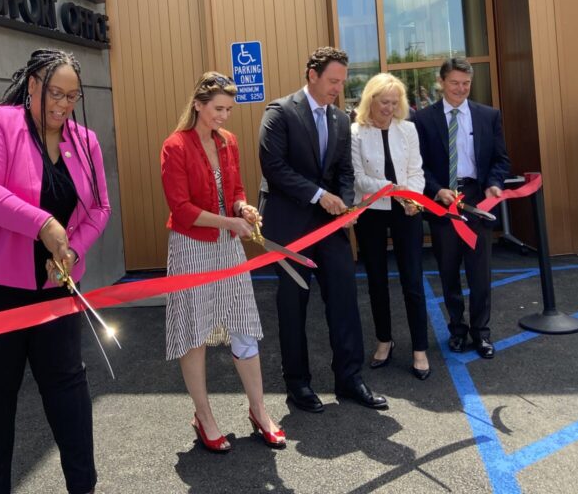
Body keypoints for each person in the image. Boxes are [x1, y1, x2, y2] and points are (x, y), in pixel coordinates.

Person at [0, 49, 109, 494]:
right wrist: (41, 223)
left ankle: (84, 486)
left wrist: (73, 251)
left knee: (68, 387)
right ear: (33, 86)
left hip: (55, 286)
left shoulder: (85, 141)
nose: (62, 105)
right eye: (54, 93)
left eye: (73, 96)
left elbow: (100, 207)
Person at [160, 72, 286, 452]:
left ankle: (259, 410)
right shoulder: (175, 146)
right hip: (191, 246)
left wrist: (242, 207)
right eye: (218, 109)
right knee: (195, 332)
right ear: (197, 105)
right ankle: (204, 415)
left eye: (229, 109)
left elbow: (234, 190)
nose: (224, 116)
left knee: (244, 324)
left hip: (227, 243)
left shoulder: (228, 142)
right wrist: (228, 221)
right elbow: (180, 209)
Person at [259, 46, 387, 413]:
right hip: (290, 227)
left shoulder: (341, 120)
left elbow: (344, 172)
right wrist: (320, 196)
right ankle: (297, 384)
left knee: (345, 301)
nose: (337, 88)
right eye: (332, 81)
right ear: (311, 75)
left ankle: (350, 379)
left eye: (342, 82)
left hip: (331, 226)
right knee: (292, 306)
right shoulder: (279, 112)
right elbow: (275, 168)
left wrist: (344, 205)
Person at [413, 57, 510, 359]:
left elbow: (500, 160)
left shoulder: (488, 115)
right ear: (441, 82)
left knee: (480, 271)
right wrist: (435, 190)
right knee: (448, 270)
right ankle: (457, 329)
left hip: (477, 199)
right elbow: (418, 165)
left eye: (466, 83)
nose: (460, 89)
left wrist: (495, 183)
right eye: (454, 83)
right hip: (443, 201)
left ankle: (481, 333)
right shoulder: (422, 120)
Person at [351, 74, 430, 380]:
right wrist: (392, 189)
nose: (389, 108)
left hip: (407, 211)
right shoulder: (356, 132)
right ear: (370, 100)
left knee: (413, 279)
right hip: (372, 210)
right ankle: (384, 340)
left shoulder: (407, 129)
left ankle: (419, 349)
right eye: (384, 102)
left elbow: (416, 170)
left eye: (394, 102)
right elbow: (358, 177)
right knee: (376, 281)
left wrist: (414, 199)